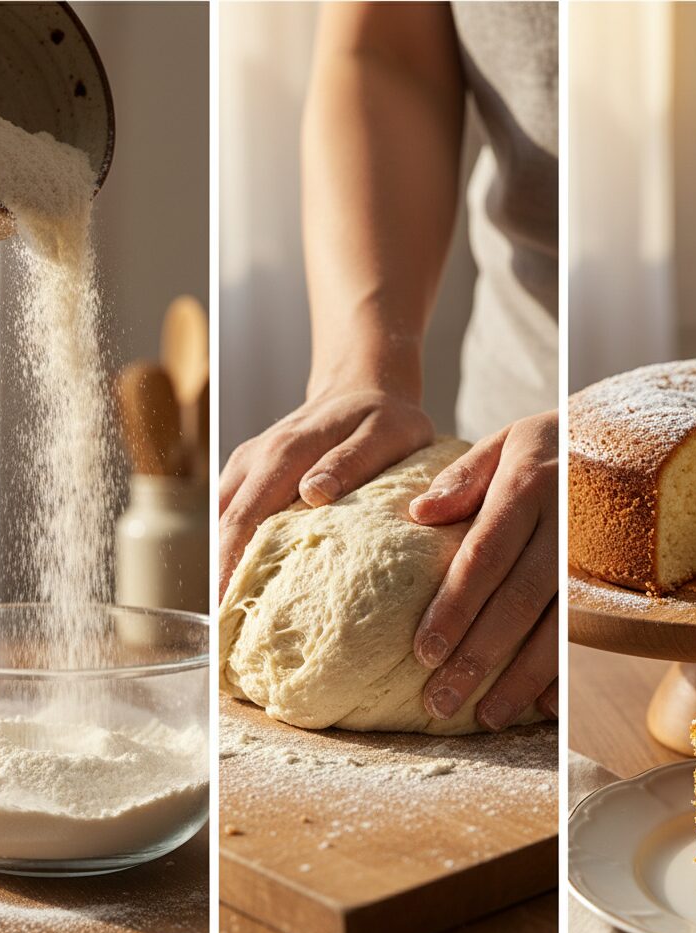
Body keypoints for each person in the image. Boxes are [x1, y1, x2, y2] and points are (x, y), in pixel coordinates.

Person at [219, 2, 558, 731]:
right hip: (503, 470)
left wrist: (627, 454)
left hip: (694, 420)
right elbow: (388, 51)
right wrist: (362, 361)